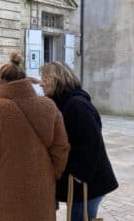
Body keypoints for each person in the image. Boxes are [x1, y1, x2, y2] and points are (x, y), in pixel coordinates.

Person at [0, 52, 70, 221]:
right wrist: (50, 174)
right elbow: (61, 148)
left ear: (1, 80)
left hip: (0, 194)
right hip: (40, 191)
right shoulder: (49, 106)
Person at [40, 61, 118, 220]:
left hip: (86, 184)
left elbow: (92, 144)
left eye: (45, 78)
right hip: (82, 183)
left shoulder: (76, 104)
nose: (41, 83)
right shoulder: (65, 102)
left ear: (56, 79)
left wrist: (78, 175)